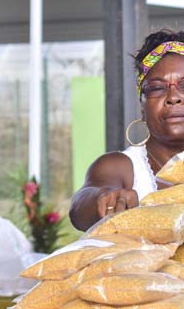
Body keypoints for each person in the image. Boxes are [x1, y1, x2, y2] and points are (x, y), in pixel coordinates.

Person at [70, 29, 184, 230]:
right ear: (142, 105)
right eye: (157, 88)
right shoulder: (122, 168)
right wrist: (103, 196)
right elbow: (79, 209)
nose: (173, 97)